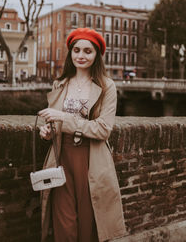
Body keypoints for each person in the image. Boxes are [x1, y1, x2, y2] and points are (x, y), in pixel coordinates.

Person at [38, 28, 126, 242]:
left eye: (88, 51)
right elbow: (54, 122)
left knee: (88, 221)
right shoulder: (60, 83)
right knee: (63, 219)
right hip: (61, 158)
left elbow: (103, 128)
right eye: (76, 50)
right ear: (70, 53)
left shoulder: (107, 86)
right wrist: (47, 131)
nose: (81, 55)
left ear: (97, 55)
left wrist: (64, 120)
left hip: (91, 160)